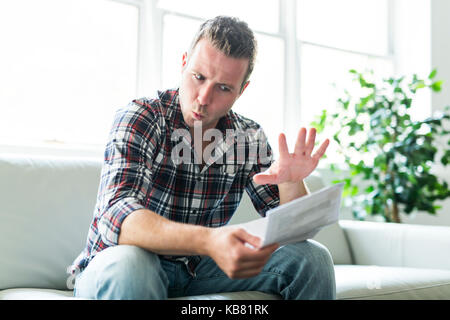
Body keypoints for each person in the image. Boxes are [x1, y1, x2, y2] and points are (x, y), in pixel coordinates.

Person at [71, 16, 335, 300]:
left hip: (196, 270)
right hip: (120, 264)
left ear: (241, 91)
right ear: (184, 62)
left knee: (311, 258)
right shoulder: (142, 117)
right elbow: (117, 217)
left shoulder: (247, 136)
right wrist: (210, 241)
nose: (203, 98)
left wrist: (291, 182)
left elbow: (292, 231)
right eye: (199, 77)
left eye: (223, 88)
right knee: (132, 265)